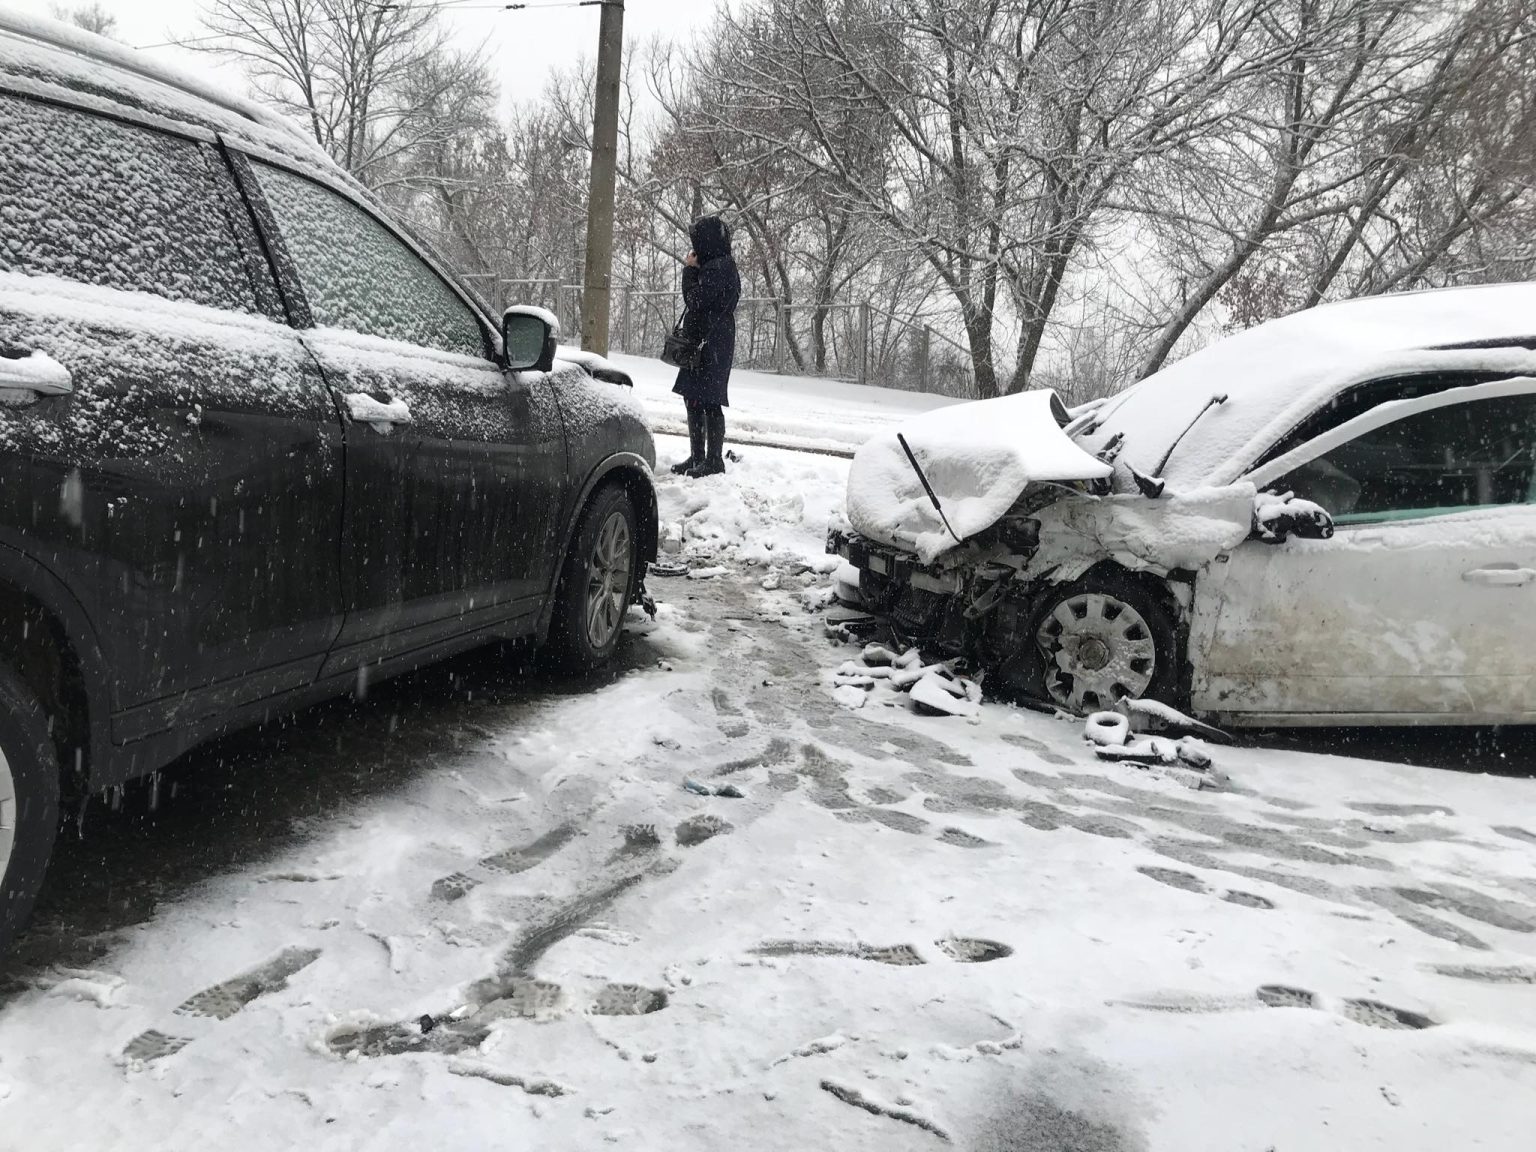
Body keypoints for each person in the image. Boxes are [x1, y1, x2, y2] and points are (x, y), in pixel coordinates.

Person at [670, 215, 741, 478]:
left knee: (709, 400)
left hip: (710, 344)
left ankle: (712, 460)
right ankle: (700, 457)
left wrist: (690, 271)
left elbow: (695, 300)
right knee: (695, 397)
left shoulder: (718, 268)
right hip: (707, 342)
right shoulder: (720, 265)